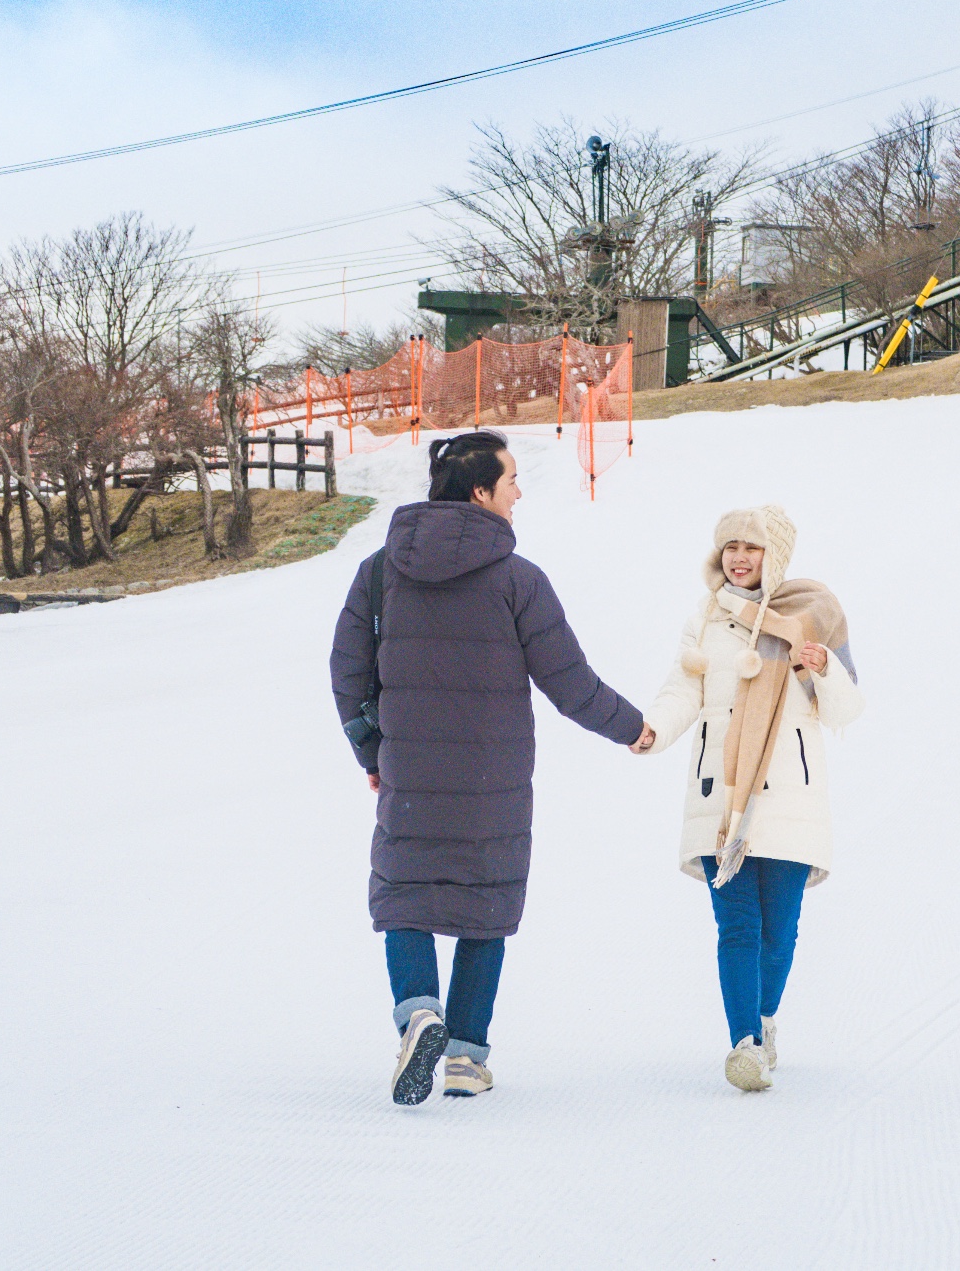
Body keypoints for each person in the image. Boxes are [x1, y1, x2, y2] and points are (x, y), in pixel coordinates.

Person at [330, 430, 644, 1106]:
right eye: (511, 480)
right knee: (485, 904)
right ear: (480, 492)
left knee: (405, 893)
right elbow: (570, 681)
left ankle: (419, 1014)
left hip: (410, 774)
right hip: (492, 784)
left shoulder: (379, 572)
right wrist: (632, 727)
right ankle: (467, 1056)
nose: (519, 491)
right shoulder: (517, 579)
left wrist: (371, 750)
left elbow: (347, 672)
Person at [630, 505, 863, 1091]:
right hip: (722, 795)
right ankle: (744, 1045)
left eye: (752, 547)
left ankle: (763, 1022)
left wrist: (822, 669)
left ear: (775, 555)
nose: (738, 557)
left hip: (790, 793)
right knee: (735, 925)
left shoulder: (813, 616)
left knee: (778, 929)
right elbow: (682, 688)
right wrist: (653, 728)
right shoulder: (705, 620)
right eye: (730, 546)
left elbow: (849, 707)